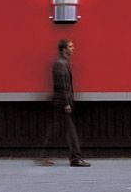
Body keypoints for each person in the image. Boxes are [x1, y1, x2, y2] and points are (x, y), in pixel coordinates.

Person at [40, 39, 91, 167]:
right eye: (70, 46)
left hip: (60, 101)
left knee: (55, 129)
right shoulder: (60, 64)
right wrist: (67, 103)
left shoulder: (63, 63)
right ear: (64, 49)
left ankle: (44, 156)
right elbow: (62, 86)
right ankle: (75, 158)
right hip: (61, 102)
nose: (73, 48)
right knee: (70, 130)